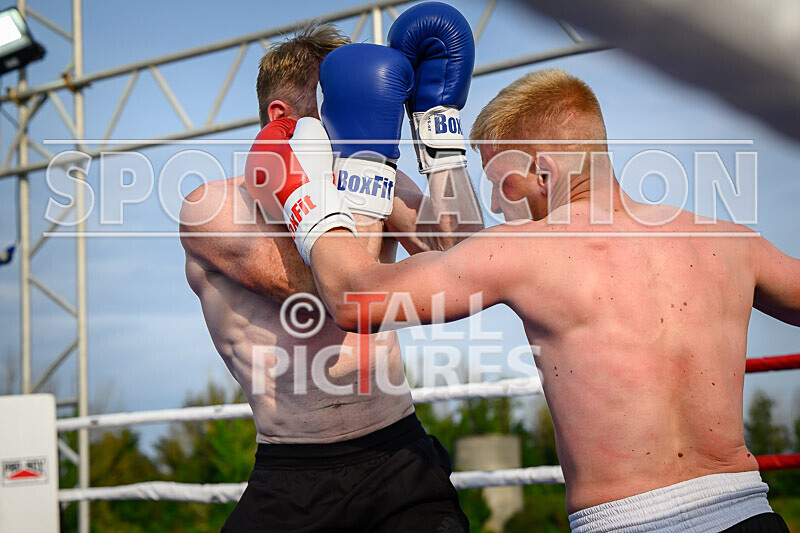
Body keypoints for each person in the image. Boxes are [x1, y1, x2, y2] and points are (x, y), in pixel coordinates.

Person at [274, 68, 796, 532]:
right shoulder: (731, 242)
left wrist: (303, 198)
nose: (499, 206)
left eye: (503, 184)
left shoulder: (526, 249)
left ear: (544, 170)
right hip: (751, 515)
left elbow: (355, 300)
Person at [180, 14, 481, 533]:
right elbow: (329, 295)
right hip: (292, 472)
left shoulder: (377, 177)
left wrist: (439, 134)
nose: (357, 121)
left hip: (399, 457)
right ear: (282, 116)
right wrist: (367, 178)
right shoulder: (215, 206)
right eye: (337, 108)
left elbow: (471, 261)